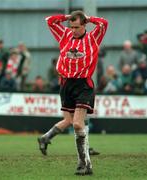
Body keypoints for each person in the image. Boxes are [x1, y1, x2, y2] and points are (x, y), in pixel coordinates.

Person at [38, 10, 108, 175]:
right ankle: (83, 164)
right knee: (72, 122)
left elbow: (104, 23)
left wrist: (89, 18)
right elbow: (49, 20)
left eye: (76, 27)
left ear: (84, 25)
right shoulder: (65, 35)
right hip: (66, 85)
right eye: (71, 26)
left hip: (83, 84)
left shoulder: (93, 38)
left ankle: (85, 163)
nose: (73, 30)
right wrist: (67, 17)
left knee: (77, 123)